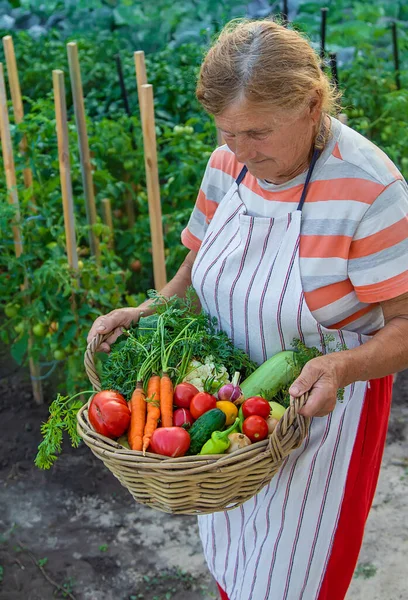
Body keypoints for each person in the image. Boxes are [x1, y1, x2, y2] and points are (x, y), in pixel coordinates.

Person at [87, 19, 408, 600]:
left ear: (311, 104)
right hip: (230, 421)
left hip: (321, 421)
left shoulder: (368, 188)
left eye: (256, 133)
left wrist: (339, 368)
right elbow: (197, 265)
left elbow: (406, 330)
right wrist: (151, 308)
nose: (239, 150)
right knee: (237, 571)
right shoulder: (228, 163)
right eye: (227, 132)